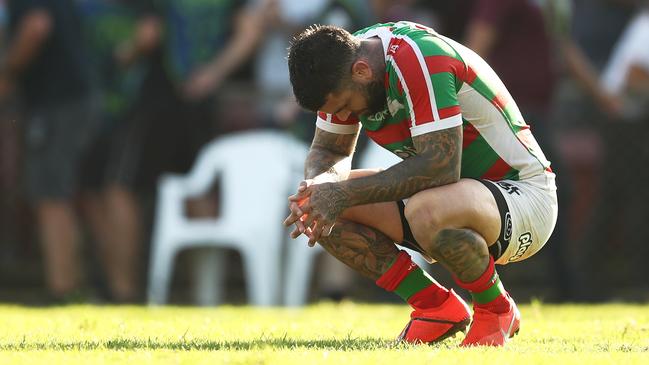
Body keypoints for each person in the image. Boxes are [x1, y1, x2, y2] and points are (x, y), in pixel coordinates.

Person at [284, 22, 557, 346]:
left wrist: (340, 194)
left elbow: (440, 167)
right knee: (315, 207)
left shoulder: (419, 59)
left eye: (344, 107)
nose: (345, 115)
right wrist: (320, 187)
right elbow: (329, 149)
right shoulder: (346, 66)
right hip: (445, 198)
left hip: (525, 195)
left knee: (426, 210)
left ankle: (496, 309)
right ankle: (435, 308)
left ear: (361, 71)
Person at [4, 0, 96, 302]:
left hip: (58, 106)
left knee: (49, 194)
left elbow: (36, 27)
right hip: (72, 102)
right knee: (61, 193)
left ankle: (64, 289)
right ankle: (71, 285)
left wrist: (7, 71)